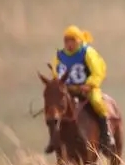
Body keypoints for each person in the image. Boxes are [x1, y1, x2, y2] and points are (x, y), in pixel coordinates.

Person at [45, 25, 115, 154]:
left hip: (86, 89)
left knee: (97, 102)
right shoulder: (59, 56)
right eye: (67, 41)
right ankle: (54, 139)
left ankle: (106, 135)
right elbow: (56, 73)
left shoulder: (87, 52)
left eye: (72, 40)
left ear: (79, 40)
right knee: (53, 108)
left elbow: (98, 71)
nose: (69, 44)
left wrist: (89, 84)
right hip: (66, 90)